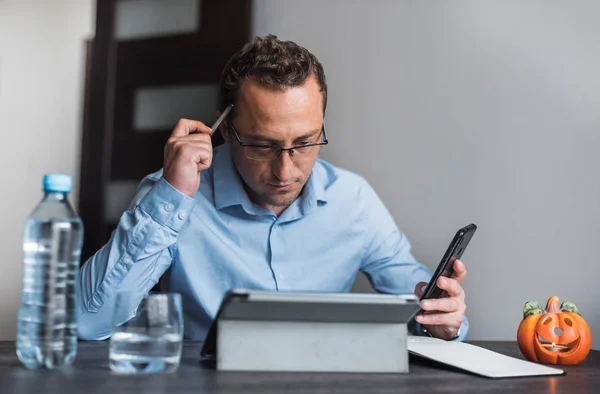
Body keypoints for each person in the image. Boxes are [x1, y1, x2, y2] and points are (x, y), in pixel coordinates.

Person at [77, 35, 468, 341]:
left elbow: (425, 309)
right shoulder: (174, 197)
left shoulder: (354, 200)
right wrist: (172, 195)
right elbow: (87, 320)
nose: (285, 169)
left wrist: (443, 320)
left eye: (305, 142)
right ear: (224, 130)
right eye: (263, 145)